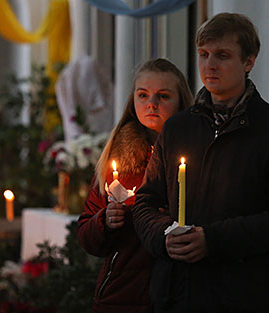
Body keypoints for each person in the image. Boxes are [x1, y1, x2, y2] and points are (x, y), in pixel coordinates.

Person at [132, 13, 269, 313]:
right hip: (175, 294)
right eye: (203, 55)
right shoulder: (178, 128)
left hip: (241, 294)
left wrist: (213, 240)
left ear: (249, 61)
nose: (210, 65)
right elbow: (145, 202)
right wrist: (163, 236)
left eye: (222, 55)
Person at [77, 58, 193, 313]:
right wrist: (104, 221)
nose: (151, 104)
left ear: (180, 101)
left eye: (163, 96)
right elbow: (86, 234)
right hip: (125, 293)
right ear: (133, 101)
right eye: (143, 95)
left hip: (182, 290)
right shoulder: (117, 157)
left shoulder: (196, 155)